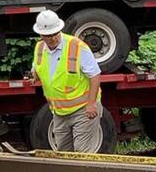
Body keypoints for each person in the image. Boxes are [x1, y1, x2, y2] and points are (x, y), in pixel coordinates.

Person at [29, 9, 103, 153]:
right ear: (41, 35)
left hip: (83, 110)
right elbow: (38, 67)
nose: (53, 38)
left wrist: (92, 103)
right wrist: (35, 76)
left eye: (55, 34)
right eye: (48, 36)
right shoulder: (39, 48)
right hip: (59, 112)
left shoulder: (77, 47)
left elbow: (95, 74)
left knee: (83, 154)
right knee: (63, 154)